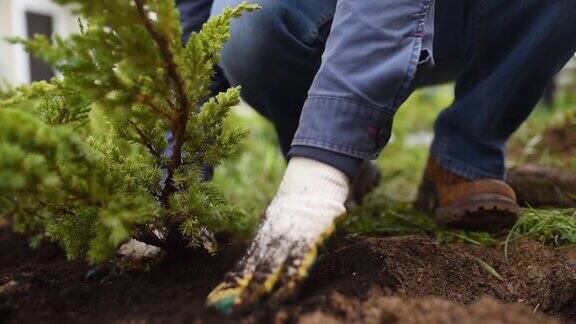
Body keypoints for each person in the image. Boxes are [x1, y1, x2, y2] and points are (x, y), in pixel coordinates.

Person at [177, 0, 576, 313]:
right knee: (247, 23)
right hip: (308, 13)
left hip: (466, 14)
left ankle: (464, 155)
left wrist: (322, 168)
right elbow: (188, 25)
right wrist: (169, 175)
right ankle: (344, 152)